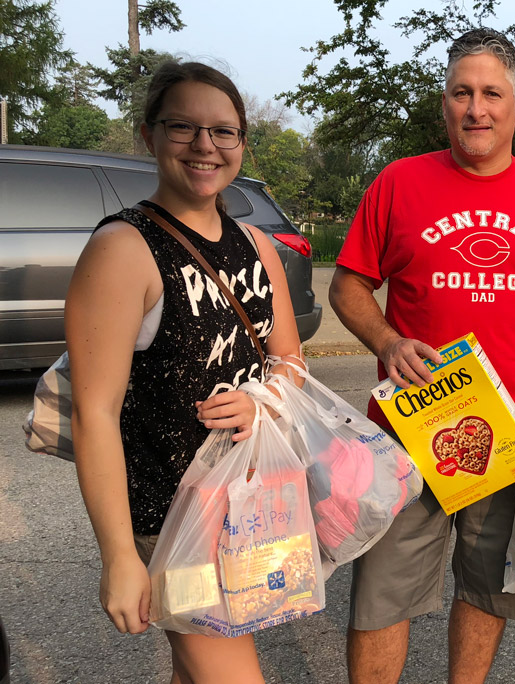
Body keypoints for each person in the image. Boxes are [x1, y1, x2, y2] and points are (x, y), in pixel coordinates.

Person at [329, 27, 515, 684]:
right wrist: (387, 341)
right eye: (461, 93)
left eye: (490, 94)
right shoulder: (399, 183)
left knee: (488, 587)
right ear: (444, 103)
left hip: (513, 428)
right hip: (412, 428)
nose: (476, 108)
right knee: (382, 594)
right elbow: (348, 285)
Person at [65, 61, 304, 683]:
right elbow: (94, 411)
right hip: (170, 518)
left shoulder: (256, 245)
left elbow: (290, 363)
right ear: (149, 136)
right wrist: (119, 554)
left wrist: (266, 402)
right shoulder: (125, 247)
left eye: (224, 132)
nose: (205, 146)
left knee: (194, 672)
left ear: (242, 143)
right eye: (183, 128)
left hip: (250, 507)